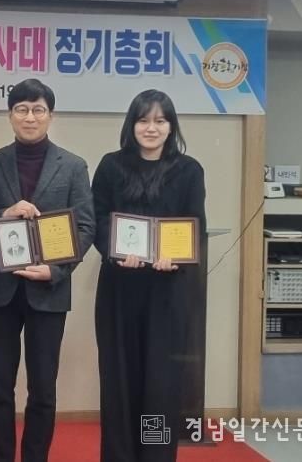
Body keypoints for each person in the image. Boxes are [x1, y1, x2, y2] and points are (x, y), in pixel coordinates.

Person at [0, 78, 95, 462]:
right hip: (1, 291)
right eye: (22, 109)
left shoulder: (73, 166)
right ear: (10, 115)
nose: (30, 117)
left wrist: (56, 271)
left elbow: (85, 227)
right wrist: (5, 213)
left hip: (49, 290)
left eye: (38, 110)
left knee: (43, 388)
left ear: (51, 115)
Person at [92, 89, 206, 462]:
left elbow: (195, 226)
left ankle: (154, 454)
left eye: (159, 120)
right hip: (119, 291)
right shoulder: (110, 166)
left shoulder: (189, 171)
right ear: (132, 125)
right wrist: (115, 251)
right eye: (143, 120)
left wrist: (177, 258)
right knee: (118, 378)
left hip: (167, 292)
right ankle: (119, 455)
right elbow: (98, 219)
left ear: (171, 126)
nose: (151, 128)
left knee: (160, 383)